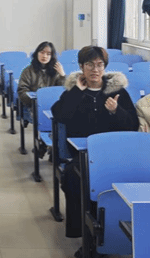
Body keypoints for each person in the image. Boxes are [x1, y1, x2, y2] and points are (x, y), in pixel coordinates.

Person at [51, 46, 138, 239]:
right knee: (74, 178)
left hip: (114, 154)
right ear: (81, 66)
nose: (95, 70)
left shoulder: (118, 92)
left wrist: (117, 111)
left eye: (99, 65)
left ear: (105, 67)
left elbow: (133, 125)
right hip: (84, 154)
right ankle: (83, 233)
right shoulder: (73, 91)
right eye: (90, 65)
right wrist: (77, 91)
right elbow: (59, 115)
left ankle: (115, 230)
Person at [17, 41, 66, 109]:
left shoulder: (56, 71)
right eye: (42, 52)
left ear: (52, 56)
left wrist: (62, 75)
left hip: (53, 104)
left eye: (48, 54)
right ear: (37, 53)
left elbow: (62, 90)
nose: (44, 56)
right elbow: (22, 91)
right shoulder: (28, 71)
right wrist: (36, 101)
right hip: (34, 105)